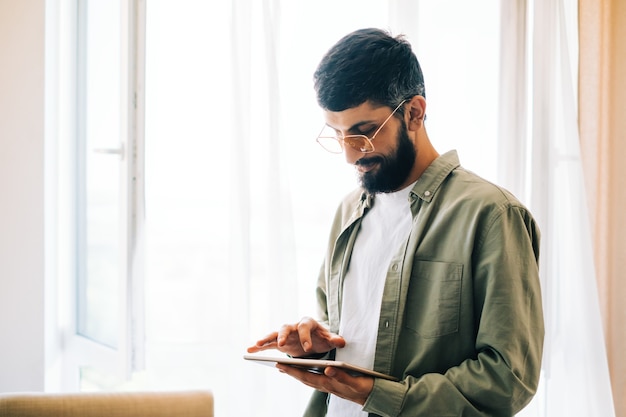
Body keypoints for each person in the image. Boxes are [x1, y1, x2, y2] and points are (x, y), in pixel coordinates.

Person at [247, 28, 544, 417]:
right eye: (338, 136)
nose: (351, 156)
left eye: (365, 133)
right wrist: (317, 342)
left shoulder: (491, 215)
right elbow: (353, 331)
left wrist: (378, 394)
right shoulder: (348, 212)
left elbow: (509, 379)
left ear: (414, 113)